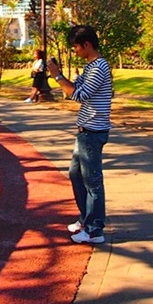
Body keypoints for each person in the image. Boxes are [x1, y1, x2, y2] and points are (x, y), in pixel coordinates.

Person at [50, 24, 112, 245]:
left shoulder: (99, 67)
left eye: (76, 46)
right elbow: (76, 87)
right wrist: (64, 77)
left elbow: (79, 95)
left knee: (92, 181)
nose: (74, 50)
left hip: (93, 132)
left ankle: (95, 230)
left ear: (87, 45)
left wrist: (57, 77)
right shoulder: (91, 66)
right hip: (85, 131)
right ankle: (86, 220)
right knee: (76, 175)